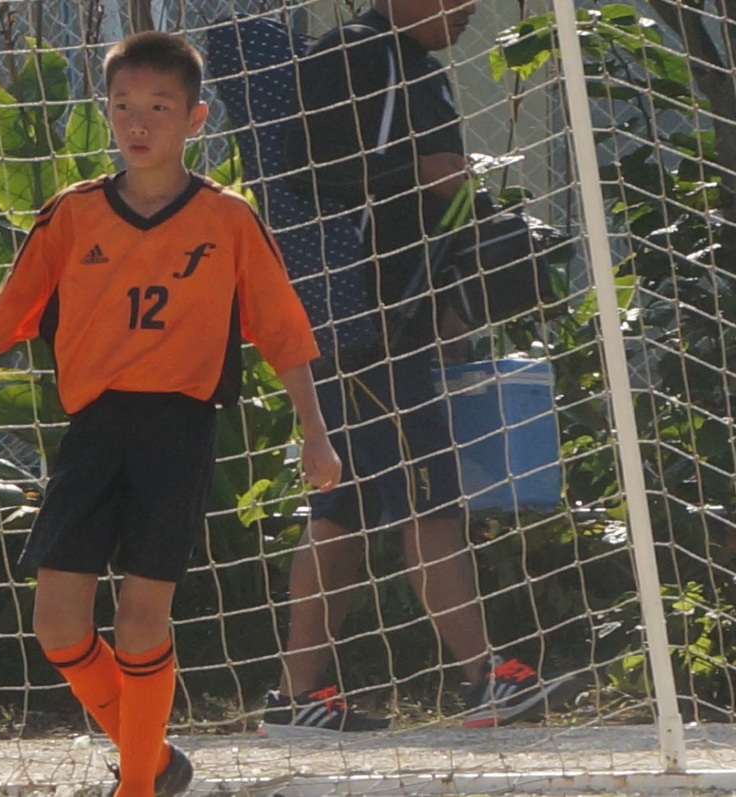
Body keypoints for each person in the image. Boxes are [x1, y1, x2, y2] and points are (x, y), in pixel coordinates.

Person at [0, 32, 344, 796]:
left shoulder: (228, 219)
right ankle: (155, 760)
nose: (139, 122)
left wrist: (316, 433)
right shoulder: (73, 214)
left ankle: (137, 784)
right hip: (94, 432)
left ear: (195, 118)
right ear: (107, 111)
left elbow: (283, 329)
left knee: (139, 624)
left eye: (159, 107)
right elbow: (6, 309)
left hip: (178, 432)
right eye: (124, 105)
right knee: (57, 625)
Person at [261, 0, 580, 734]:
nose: (467, 10)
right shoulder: (358, 53)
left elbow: (432, 204)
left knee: (342, 509)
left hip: (397, 315)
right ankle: (485, 675)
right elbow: (307, 166)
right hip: (365, 320)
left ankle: (296, 695)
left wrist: (448, 304)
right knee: (429, 497)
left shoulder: (414, 65)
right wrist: (420, 171)